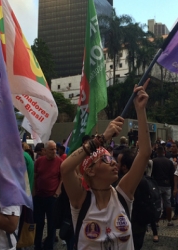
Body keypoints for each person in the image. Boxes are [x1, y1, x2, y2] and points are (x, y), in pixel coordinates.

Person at [60, 80, 151, 249]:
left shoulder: (123, 193)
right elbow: (65, 168)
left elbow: (145, 153)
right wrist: (101, 139)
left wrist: (140, 110)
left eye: (112, 158)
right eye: (106, 159)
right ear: (90, 171)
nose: (113, 162)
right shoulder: (81, 200)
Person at [33, 140, 62, 250]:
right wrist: (34, 191)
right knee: (38, 222)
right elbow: (35, 177)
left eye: (55, 149)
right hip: (39, 197)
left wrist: (57, 192)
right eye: (51, 149)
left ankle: (49, 245)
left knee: (52, 224)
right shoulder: (39, 161)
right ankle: (37, 244)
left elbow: (62, 179)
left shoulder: (59, 162)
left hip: (52, 198)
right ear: (45, 150)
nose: (54, 151)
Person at [152, 146, 175, 226]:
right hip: (167, 185)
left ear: (157, 152)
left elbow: (151, 174)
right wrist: (173, 186)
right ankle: (169, 221)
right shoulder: (169, 162)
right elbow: (172, 175)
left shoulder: (154, 161)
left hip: (157, 184)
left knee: (158, 204)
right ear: (164, 152)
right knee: (168, 203)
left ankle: (156, 221)